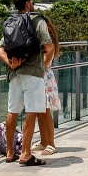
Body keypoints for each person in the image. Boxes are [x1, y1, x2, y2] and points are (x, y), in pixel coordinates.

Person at [0, 0, 55, 166]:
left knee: (12, 111)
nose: (33, 4)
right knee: (31, 111)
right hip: (33, 73)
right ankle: (26, 154)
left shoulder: (13, 22)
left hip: (14, 74)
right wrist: (42, 62)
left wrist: (11, 64)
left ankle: (9, 152)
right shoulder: (37, 20)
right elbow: (48, 45)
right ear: (28, 4)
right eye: (33, 2)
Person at [34, 11, 61, 156]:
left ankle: (51, 143)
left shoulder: (48, 43)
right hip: (39, 76)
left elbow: (44, 62)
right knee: (39, 111)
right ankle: (44, 141)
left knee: (45, 112)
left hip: (44, 78)